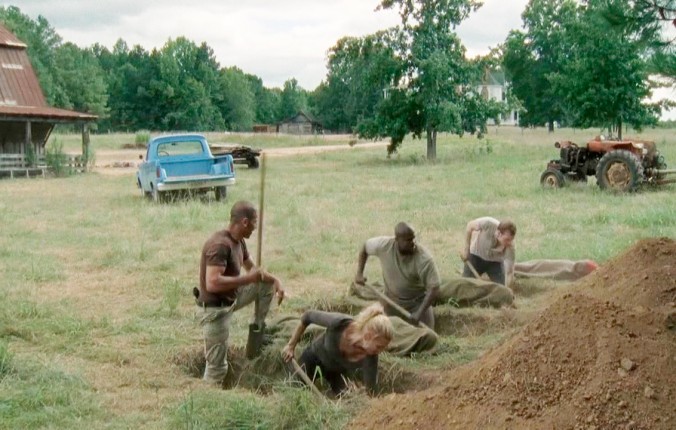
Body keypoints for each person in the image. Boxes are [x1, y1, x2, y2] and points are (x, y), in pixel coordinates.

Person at [195, 200, 285, 386]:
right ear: (245, 222)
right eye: (254, 222)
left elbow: (254, 270)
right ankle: (209, 396)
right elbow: (213, 283)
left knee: (265, 285)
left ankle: (257, 333)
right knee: (217, 369)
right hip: (215, 310)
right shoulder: (220, 245)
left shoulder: (239, 242)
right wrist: (248, 279)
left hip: (231, 299)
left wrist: (275, 280)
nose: (255, 227)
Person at [281, 303, 393, 396]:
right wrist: (291, 346)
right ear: (368, 336)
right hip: (314, 358)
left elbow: (371, 391)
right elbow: (307, 316)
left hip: (336, 373)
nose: (380, 351)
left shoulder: (371, 356)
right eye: (379, 346)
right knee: (294, 390)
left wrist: (364, 394)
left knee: (348, 399)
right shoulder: (339, 323)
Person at [354, 222, 441, 329]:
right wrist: (359, 273)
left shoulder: (424, 259)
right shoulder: (384, 246)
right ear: (397, 240)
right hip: (390, 301)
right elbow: (365, 247)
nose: (413, 243)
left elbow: (434, 288)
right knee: (379, 331)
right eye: (408, 240)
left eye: (414, 238)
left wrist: (419, 313)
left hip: (416, 304)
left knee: (427, 335)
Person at [461, 217, 516, 288]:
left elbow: (509, 273)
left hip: (495, 263)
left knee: (500, 289)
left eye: (511, 239)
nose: (509, 243)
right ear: (499, 233)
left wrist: (507, 290)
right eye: (507, 239)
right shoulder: (489, 224)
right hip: (475, 257)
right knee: (465, 285)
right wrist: (466, 250)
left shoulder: (510, 247)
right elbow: (470, 226)